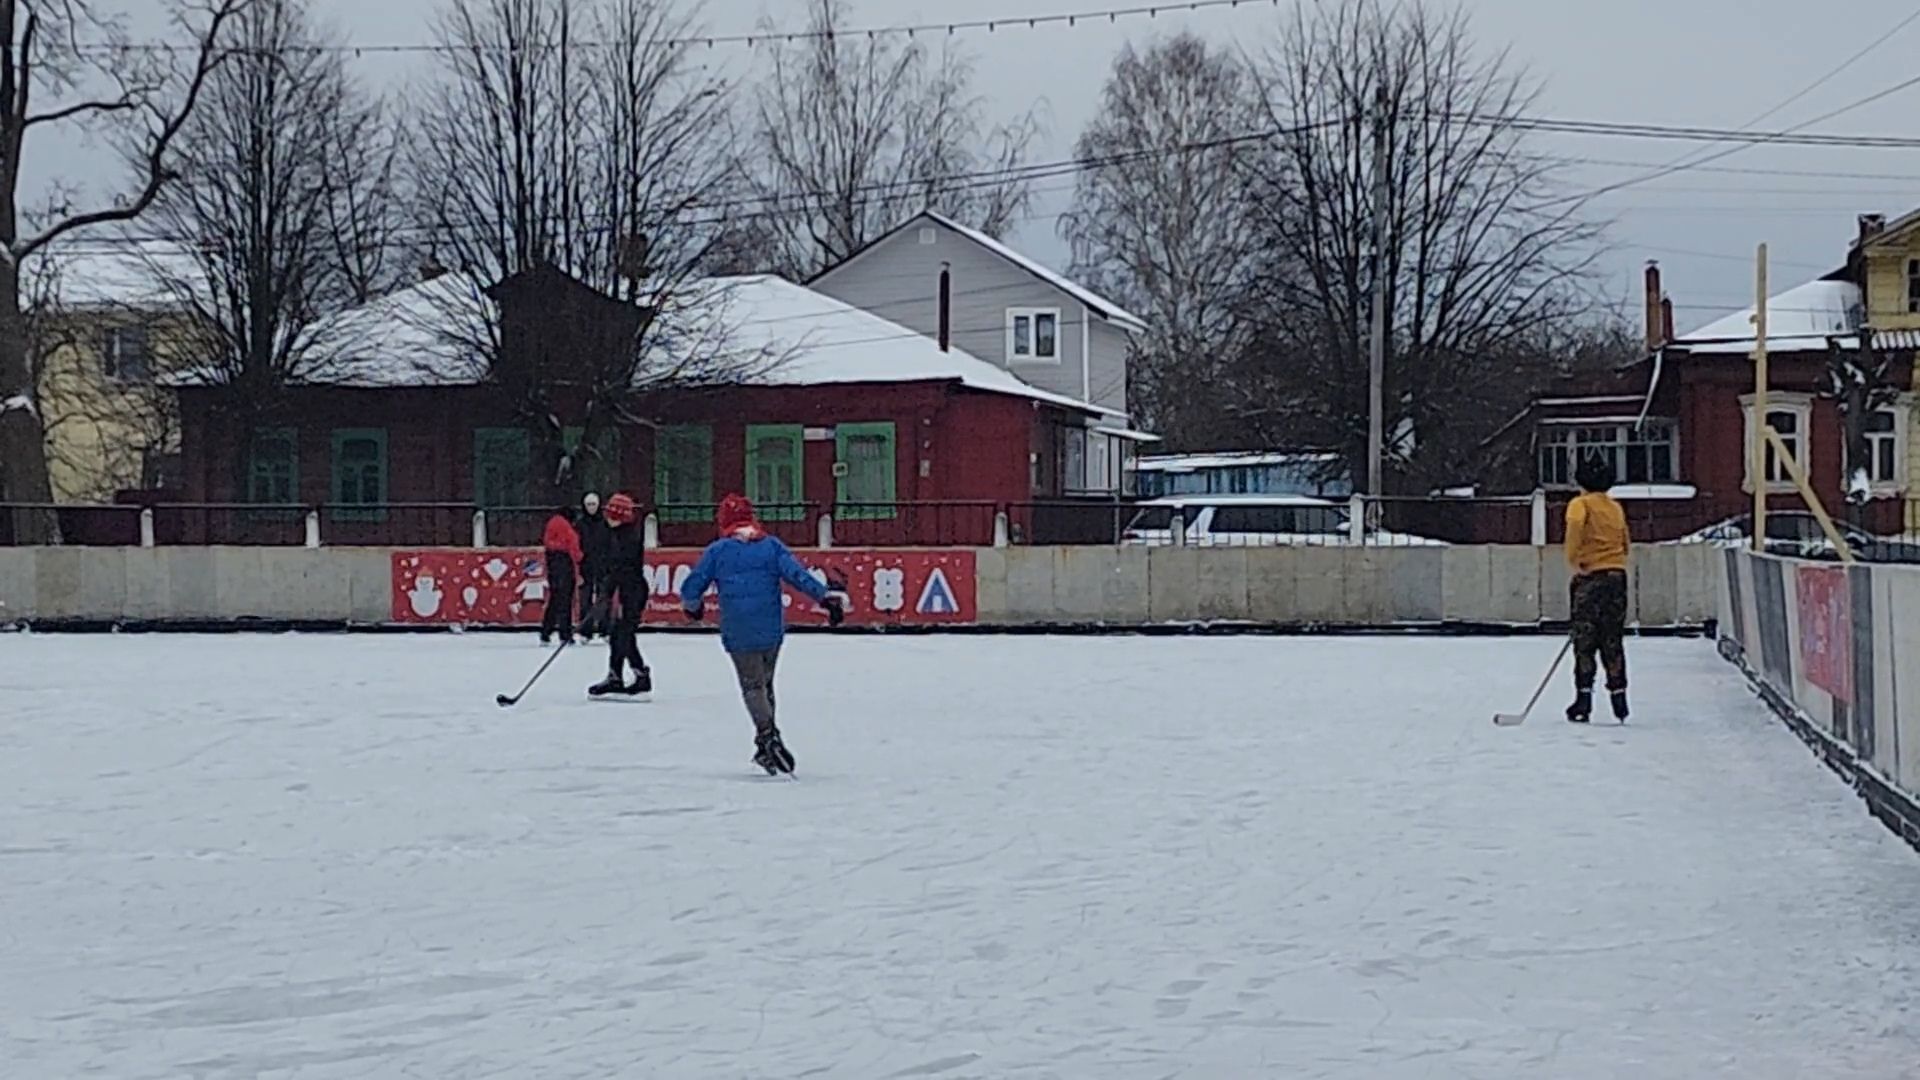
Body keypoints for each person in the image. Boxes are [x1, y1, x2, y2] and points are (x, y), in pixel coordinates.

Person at [680, 493, 845, 775]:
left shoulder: (718, 551)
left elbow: (692, 586)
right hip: (770, 626)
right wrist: (825, 599)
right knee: (766, 684)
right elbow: (798, 576)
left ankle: (768, 737)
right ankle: (764, 747)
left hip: (738, 627)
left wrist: (693, 608)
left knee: (752, 686)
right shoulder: (771, 547)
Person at [1565, 454, 1631, 723]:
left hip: (1591, 577)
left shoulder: (1580, 504)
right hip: (1617, 577)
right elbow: (1626, 541)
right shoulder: (1615, 507)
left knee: (1585, 640)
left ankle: (1583, 699)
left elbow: (1575, 531)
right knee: (1612, 638)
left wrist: (1575, 560)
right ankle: (1619, 697)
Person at [589, 492, 653, 698]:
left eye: (612, 515)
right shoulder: (613, 534)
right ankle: (617, 676)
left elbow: (622, 569)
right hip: (623, 589)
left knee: (623, 633)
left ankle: (639, 674)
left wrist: (606, 591)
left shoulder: (629, 538)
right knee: (619, 632)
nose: (607, 519)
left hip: (633, 590)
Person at [539, 504, 582, 646]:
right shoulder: (567, 528)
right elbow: (573, 546)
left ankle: (546, 631)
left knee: (555, 600)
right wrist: (579, 557)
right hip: (565, 565)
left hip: (553, 565)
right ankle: (565, 633)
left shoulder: (552, 524)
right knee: (565, 601)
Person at [576, 492, 611, 640]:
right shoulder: (580, 524)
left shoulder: (605, 523)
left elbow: (610, 543)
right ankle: (586, 630)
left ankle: (605, 628)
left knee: (604, 597)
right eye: (589, 505)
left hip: (603, 564)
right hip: (586, 565)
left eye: (594, 505)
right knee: (585, 598)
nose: (591, 508)